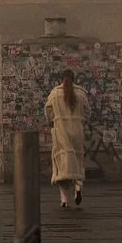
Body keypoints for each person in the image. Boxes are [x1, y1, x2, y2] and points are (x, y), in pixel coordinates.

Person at [44, 68, 89, 209]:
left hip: (61, 131)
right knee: (77, 159)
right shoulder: (81, 93)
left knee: (61, 163)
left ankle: (64, 199)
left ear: (61, 79)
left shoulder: (55, 93)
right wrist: (81, 121)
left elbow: (48, 110)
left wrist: (53, 120)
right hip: (77, 130)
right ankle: (78, 188)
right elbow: (88, 111)